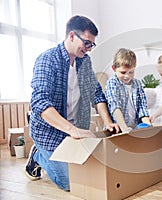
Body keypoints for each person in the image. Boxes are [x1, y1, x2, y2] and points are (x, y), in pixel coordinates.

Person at [25, 15, 119, 191]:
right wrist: (72, 130)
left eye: (92, 44)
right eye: (87, 43)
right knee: (71, 182)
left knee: (93, 170)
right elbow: (40, 102)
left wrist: (107, 121)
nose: (89, 49)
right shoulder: (47, 60)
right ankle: (38, 155)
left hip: (73, 129)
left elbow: (96, 92)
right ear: (71, 36)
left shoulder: (84, 61)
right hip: (49, 132)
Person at [105, 48, 151, 133]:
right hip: (118, 129)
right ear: (114, 68)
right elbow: (115, 107)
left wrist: (148, 125)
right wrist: (125, 129)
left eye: (131, 72)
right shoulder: (112, 83)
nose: (127, 76)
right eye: (123, 72)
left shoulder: (137, 84)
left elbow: (142, 107)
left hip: (135, 128)